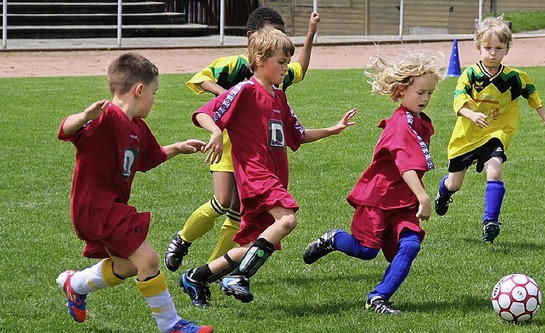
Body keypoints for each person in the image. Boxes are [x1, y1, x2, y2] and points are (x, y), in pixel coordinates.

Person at [180, 27, 357, 307]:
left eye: (288, 63)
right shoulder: (244, 91)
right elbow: (204, 112)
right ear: (261, 60)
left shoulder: (279, 97)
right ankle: (239, 277)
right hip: (255, 176)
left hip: (272, 178)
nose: (286, 68)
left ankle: (196, 277)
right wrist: (215, 132)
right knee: (286, 220)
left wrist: (332, 130)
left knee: (252, 246)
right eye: (281, 62)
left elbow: (297, 135)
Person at [56, 52, 213, 333]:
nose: (154, 99)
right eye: (153, 93)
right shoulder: (105, 117)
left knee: (128, 266)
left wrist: (177, 148)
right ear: (139, 90)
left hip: (109, 206)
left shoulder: (137, 127)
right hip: (95, 206)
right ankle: (171, 326)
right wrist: (84, 117)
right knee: (148, 259)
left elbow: (150, 158)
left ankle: (75, 284)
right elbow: (68, 130)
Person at [164, 7, 321, 275]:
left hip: (259, 152)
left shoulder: (277, 69)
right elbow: (201, 79)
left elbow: (300, 69)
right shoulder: (236, 64)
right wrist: (231, 94)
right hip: (227, 143)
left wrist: (310, 34)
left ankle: (212, 271)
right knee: (222, 201)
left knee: (238, 213)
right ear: (252, 38)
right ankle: (182, 240)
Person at [302, 50, 446, 315]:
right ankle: (334, 238)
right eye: (420, 92)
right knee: (367, 250)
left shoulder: (420, 121)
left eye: (430, 93)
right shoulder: (402, 124)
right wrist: (424, 197)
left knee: (411, 244)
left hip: (402, 201)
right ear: (402, 90)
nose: (426, 98)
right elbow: (405, 165)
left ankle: (378, 297)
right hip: (378, 198)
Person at [433, 16, 545, 243]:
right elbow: (458, 100)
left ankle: (490, 221)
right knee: (455, 183)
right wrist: (472, 114)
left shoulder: (513, 77)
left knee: (495, 170)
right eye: (487, 48)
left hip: (496, 133)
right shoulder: (470, 75)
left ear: (507, 49)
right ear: (478, 48)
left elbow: (532, 94)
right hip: (467, 137)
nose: (492, 53)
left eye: (498, 48)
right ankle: (444, 192)